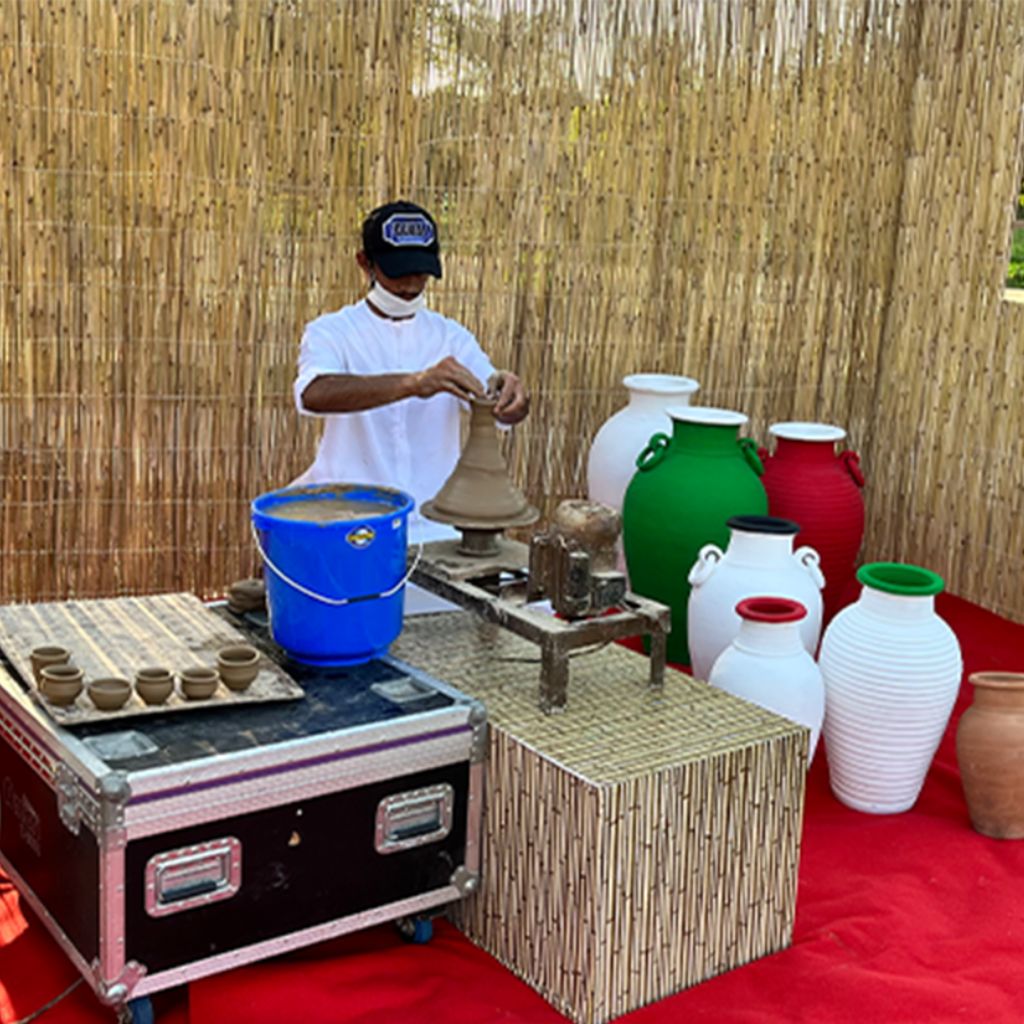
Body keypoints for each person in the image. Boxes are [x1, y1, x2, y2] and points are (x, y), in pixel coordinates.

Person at [292, 200, 530, 608]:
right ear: (365, 263)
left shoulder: (451, 337)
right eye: (398, 272)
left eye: (421, 272)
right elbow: (314, 394)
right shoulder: (332, 332)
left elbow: (502, 406)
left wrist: (512, 396)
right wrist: (413, 384)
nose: (410, 284)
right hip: (352, 521)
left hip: (441, 529)